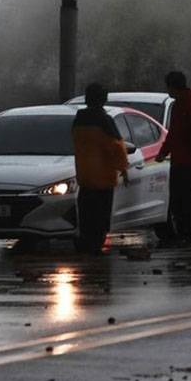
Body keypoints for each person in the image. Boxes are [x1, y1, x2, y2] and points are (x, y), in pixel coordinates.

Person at [156, 71, 191, 245]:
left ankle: (190, 234)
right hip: (180, 160)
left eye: (168, 87)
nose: (167, 91)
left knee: (187, 199)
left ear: (173, 87)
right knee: (177, 199)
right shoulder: (178, 105)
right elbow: (173, 133)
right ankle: (183, 233)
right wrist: (164, 152)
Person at [71, 82, 128, 254]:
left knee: (86, 214)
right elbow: (116, 146)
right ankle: (95, 246)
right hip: (103, 177)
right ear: (103, 99)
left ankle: (85, 243)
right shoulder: (104, 121)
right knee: (101, 216)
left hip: (85, 176)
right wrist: (123, 168)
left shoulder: (78, 120)